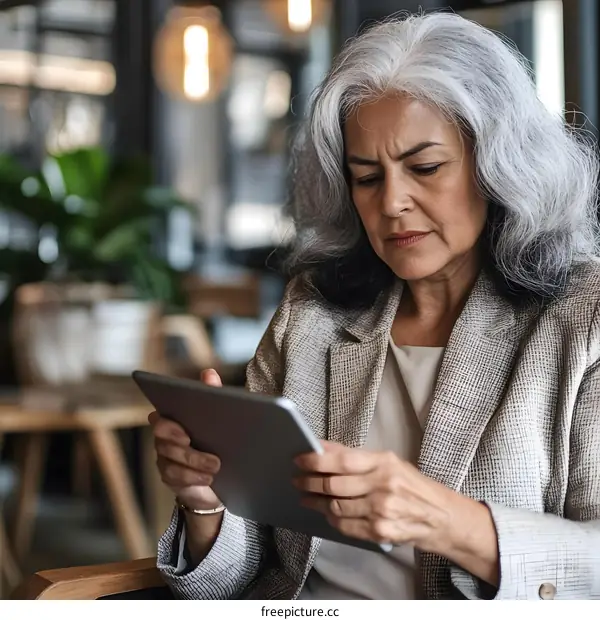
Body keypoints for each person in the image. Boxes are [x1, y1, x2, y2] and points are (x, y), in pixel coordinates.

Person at [149, 12, 600, 600]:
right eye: (366, 177)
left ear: (498, 163)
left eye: (425, 167)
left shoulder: (582, 319)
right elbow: (250, 569)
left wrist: (447, 521)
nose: (392, 202)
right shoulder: (311, 314)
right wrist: (207, 502)